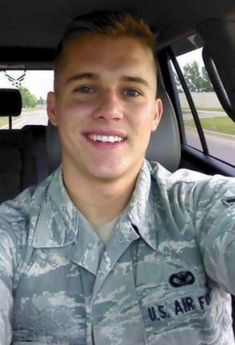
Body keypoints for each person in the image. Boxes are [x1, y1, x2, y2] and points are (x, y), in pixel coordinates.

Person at [0, 10, 235, 345]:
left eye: (131, 92)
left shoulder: (202, 206)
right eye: (85, 88)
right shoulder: (10, 232)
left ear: (155, 115)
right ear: (54, 109)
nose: (110, 109)